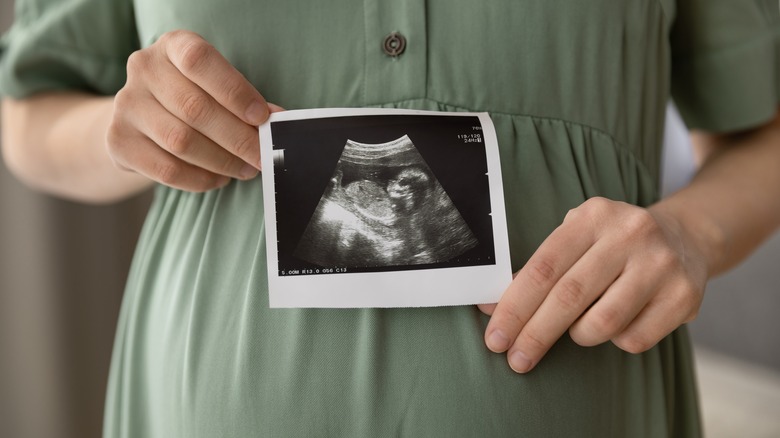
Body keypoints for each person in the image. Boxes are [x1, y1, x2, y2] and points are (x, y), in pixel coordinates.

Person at [2, 0, 779, 436]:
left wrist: (693, 232)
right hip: (207, 403)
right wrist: (127, 132)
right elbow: (26, 112)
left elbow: (762, 127)